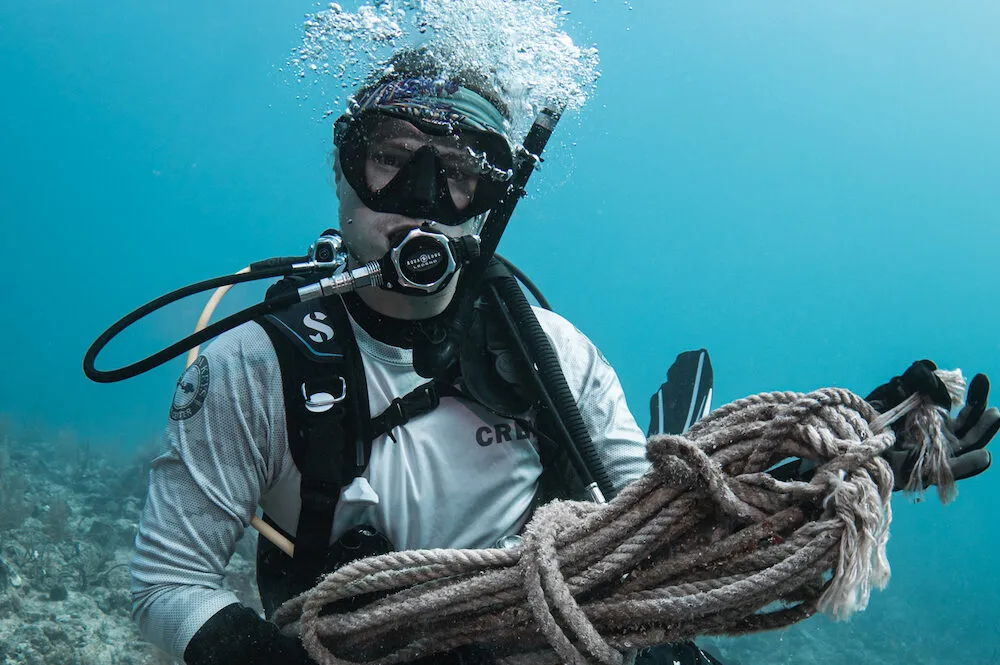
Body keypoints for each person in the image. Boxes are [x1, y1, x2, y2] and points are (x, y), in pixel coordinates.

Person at [128, 47, 998, 665]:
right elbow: (168, 579)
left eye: (458, 176)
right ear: (344, 172)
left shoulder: (553, 351)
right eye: (390, 163)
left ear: (491, 198)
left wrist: (849, 461)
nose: (422, 204)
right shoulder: (251, 364)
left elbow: (663, 516)